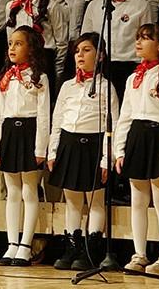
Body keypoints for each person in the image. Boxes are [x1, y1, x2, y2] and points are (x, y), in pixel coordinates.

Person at [113, 24, 159, 277]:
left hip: (158, 137)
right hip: (137, 137)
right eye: (138, 38)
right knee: (138, 200)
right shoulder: (133, 78)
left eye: (145, 38)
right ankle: (139, 254)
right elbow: (125, 115)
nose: (139, 43)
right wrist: (119, 150)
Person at [48, 32, 119, 270]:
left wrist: (107, 158)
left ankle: (91, 249)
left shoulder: (106, 87)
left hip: (94, 145)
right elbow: (57, 120)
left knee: (95, 199)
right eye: (77, 51)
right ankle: (72, 246)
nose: (80, 55)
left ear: (100, 56)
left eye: (86, 50)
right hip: (69, 143)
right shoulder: (68, 86)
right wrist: (53, 151)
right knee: (72, 200)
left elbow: (114, 125)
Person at [0, 26, 52, 268]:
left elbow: (44, 115)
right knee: (12, 191)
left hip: (29, 131)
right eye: (10, 44)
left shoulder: (39, 78)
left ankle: (26, 244)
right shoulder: (6, 77)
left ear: (31, 48)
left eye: (18, 43)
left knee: (29, 190)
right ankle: (12, 243)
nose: (12, 48)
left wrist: (40, 148)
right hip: (9, 132)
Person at [81, 0, 152, 101]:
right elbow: (85, 41)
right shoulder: (94, 5)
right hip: (100, 67)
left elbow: (148, 43)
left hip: (129, 66)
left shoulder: (141, 6)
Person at [9, 0, 70, 89]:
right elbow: (10, 40)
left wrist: (57, 73)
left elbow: (61, 43)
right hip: (19, 65)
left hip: (44, 63)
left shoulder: (52, 6)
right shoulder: (12, 6)